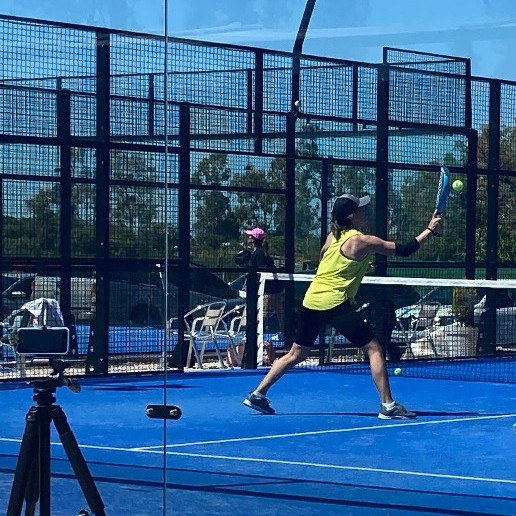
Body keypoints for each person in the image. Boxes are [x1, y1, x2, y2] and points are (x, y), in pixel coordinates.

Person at [243, 194, 442, 419]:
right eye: (361, 210)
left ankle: (257, 394)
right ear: (352, 216)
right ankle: (388, 405)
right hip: (334, 302)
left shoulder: (332, 237)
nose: (365, 213)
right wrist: (430, 229)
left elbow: (325, 261)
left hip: (311, 300)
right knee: (374, 348)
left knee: (296, 353)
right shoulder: (362, 241)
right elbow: (405, 249)